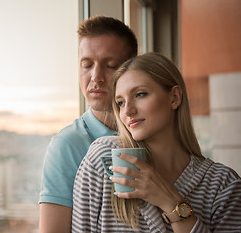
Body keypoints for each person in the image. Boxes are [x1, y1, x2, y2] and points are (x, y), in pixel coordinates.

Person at [72, 52, 241, 232]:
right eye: (120, 102)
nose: (127, 111)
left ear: (174, 97)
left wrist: (171, 202)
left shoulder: (223, 185)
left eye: (140, 94)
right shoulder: (104, 160)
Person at [39, 15, 138, 232]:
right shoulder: (67, 145)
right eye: (87, 65)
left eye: (110, 65)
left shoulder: (148, 132)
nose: (96, 76)